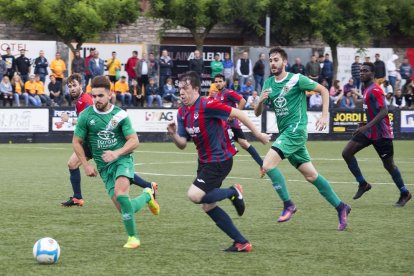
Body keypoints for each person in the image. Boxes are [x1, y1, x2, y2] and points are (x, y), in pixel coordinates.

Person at [167, 71, 270, 252]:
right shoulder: (182, 112)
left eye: (185, 88)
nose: (181, 92)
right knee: (208, 206)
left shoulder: (208, 104)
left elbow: (239, 113)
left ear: (196, 89)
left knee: (194, 195)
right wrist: (174, 134)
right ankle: (241, 242)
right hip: (205, 162)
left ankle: (233, 192)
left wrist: (258, 134)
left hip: (220, 160)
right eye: (179, 89)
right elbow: (182, 144)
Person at [254, 47, 351, 231]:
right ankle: (341, 206)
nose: (273, 63)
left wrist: (324, 116)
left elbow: (323, 90)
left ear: (284, 62)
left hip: (295, 130)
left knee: (267, 165)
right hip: (287, 134)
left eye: (276, 60)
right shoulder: (268, 83)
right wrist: (260, 100)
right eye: (270, 60)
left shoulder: (297, 79)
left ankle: (289, 204)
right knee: (311, 176)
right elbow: (258, 113)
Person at [73, 75, 160, 249]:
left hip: (122, 160)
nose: (96, 99)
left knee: (121, 195)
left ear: (110, 94)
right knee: (124, 208)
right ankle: (147, 195)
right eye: (94, 95)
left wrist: (117, 153)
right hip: (104, 168)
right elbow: (76, 141)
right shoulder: (85, 115)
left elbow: (134, 141)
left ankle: (133, 238)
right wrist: (86, 165)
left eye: (100, 96)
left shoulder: (120, 115)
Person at [61, 73, 158, 207]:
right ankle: (77, 197)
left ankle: (148, 186)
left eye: (74, 85)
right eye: (69, 86)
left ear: (81, 86)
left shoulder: (88, 100)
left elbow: (90, 120)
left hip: (95, 143)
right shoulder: (80, 101)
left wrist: (69, 120)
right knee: (73, 164)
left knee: (116, 170)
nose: (72, 88)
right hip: (91, 142)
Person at [342, 62, 411, 207]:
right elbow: (371, 110)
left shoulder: (375, 89)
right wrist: (364, 125)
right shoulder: (366, 88)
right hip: (369, 132)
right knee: (347, 153)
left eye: (365, 71)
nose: (361, 73)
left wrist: (366, 125)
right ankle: (363, 184)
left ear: (372, 74)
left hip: (382, 134)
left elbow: (384, 111)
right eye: (360, 71)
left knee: (389, 165)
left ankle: (405, 193)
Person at [212, 74, 263, 169]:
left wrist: (235, 115)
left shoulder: (228, 92)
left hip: (231, 125)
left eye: (220, 81)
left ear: (224, 82)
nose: (218, 83)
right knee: (243, 143)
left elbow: (242, 101)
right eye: (216, 81)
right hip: (224, 126)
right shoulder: (217, 96)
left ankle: (262, 165)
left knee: (244, 144)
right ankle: (262, 164)